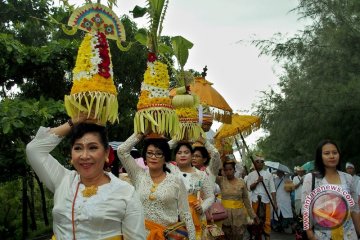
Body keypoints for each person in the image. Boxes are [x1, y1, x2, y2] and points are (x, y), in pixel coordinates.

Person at [26, 117, 146, 240]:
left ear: (106, 153)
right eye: (78, 148)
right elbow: (34, 150)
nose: (84, 156)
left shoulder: (126, 192)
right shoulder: (63, 180)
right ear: (71, 154)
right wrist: (75, 121)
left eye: (92, 147)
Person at [117, 133, 196, 240]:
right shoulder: (138, 176)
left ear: (165, 157)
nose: (153, 157)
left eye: (159, 153)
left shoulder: (176, 182)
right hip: (139, 235)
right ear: (144, 156)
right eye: (149, 153)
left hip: (167, 236)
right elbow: (122, 151)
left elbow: (186, 216)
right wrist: (141, 133)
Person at [301, 139, 360, 240]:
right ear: (320, 156)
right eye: (327, 153)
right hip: (322, 235)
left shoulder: (348, 178)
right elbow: (306, 208)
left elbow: (354, 209)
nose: (332, 156)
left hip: (349, 235)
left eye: (335, 152)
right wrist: (310, 234)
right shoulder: (311, 179)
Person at [170, 142, 215, 240]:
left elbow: (210, 196)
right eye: (179, 152)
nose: (182, 155)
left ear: (192, 156)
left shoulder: (201, 175)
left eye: (186, 152)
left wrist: (202, 207)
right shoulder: (170, 171)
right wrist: (176, 139)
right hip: (173, 216)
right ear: (175, 156)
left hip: (196, 215)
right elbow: (162, 150)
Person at [216, 160, 258, 240]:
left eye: (230, 169)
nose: (228, 172)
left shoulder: (241, 182)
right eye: (226, 170)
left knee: (239, 236)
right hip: (225, 215)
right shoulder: (221, 180)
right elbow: (212, 172)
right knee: (226, 236)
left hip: (239, 215)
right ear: (223, 171)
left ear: (234, 170)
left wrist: (253, 216)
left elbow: (246, 200)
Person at [247, 156, 277, 240]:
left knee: (267, 222)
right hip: (255, 201)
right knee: (255, 222)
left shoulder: (269, 174)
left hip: (266, 201)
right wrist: (257, 181)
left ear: (263, 164)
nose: (259, 163)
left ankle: (267, 237)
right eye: (257, 161)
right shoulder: (250, 175)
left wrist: (275, 203)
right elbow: (249, 188)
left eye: (261, 162)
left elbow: (273, 190)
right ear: (254, 163)